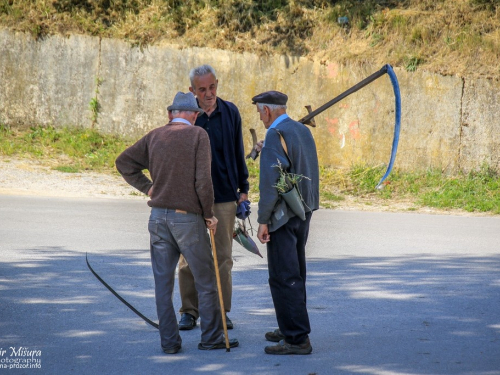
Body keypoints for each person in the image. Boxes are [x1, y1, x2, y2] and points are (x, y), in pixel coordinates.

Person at [115, 91, 238, 354]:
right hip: (187, 219)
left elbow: (123, 162)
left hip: (158, 217)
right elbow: (203, 182)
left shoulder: (155, 136)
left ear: (172, 114)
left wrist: (149, 188)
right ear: (193, 115)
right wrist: (209, 214)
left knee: (163, 284)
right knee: (205, 280)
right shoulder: (197, 135)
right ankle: (213, 337)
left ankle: (169, 343)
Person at [177, 64, 249, 330]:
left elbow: (237, 151)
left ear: (217, 83)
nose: (209, 94)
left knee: (223, 258)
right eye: (202, 89)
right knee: (188, 256)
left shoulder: (230, 112)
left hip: (224, 197)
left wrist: (243, 189)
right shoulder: (186, 116)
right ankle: (189, 311)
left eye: (212, 87)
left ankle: (220, 311)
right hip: (191, 199)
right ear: (192, 91)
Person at [253, 90, 319, 355]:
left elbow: (270, 186)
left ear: (267, 111)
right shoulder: (301, 130)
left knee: (283, 276)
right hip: (304, 210)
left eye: (260, 112)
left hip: (283, 216)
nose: (260, 118)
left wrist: (262, 220)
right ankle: (289, 325)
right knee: (295, 272)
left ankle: (296, 338)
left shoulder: (273, 135)